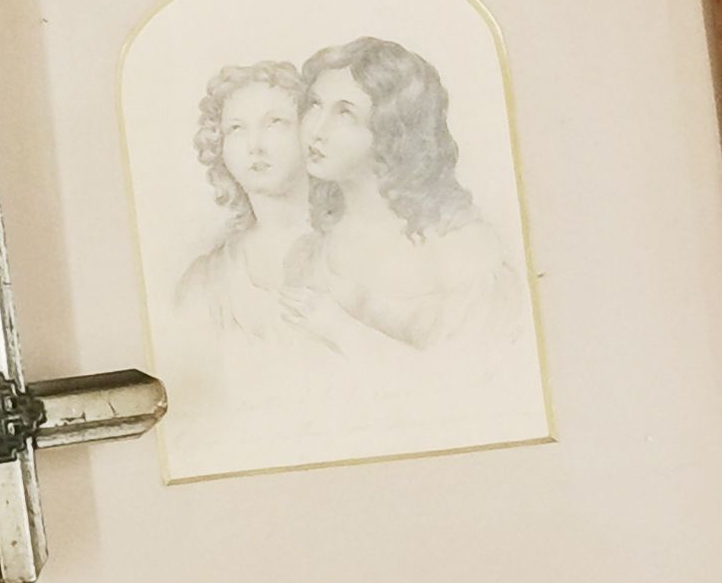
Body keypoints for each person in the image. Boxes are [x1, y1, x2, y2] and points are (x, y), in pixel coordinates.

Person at [287, 35, 524, 355]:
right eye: (315, 105)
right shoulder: (310, 251)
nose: (316, 129)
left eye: (345, 114)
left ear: (392, 133)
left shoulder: (464, 249)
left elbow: (472, 383)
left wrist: (339, 329)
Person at [176, 61, 341, 346]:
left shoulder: (354, 247)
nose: (254, 145)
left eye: (274, 123)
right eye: (236, 129)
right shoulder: (205, 279)